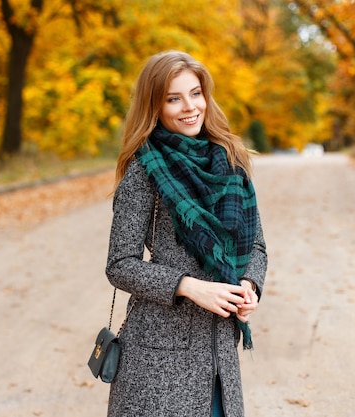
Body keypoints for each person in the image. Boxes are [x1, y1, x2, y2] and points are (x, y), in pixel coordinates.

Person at [105, 50, 268, 417]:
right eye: (173, 98)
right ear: (155, 106)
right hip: (158, 362)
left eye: (195, 93)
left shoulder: (231, 162)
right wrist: (190, 287)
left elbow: (256, 245)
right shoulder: (145, 170)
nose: (189, 107)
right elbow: (120, 264)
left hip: (219, 354)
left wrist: (249, 286)